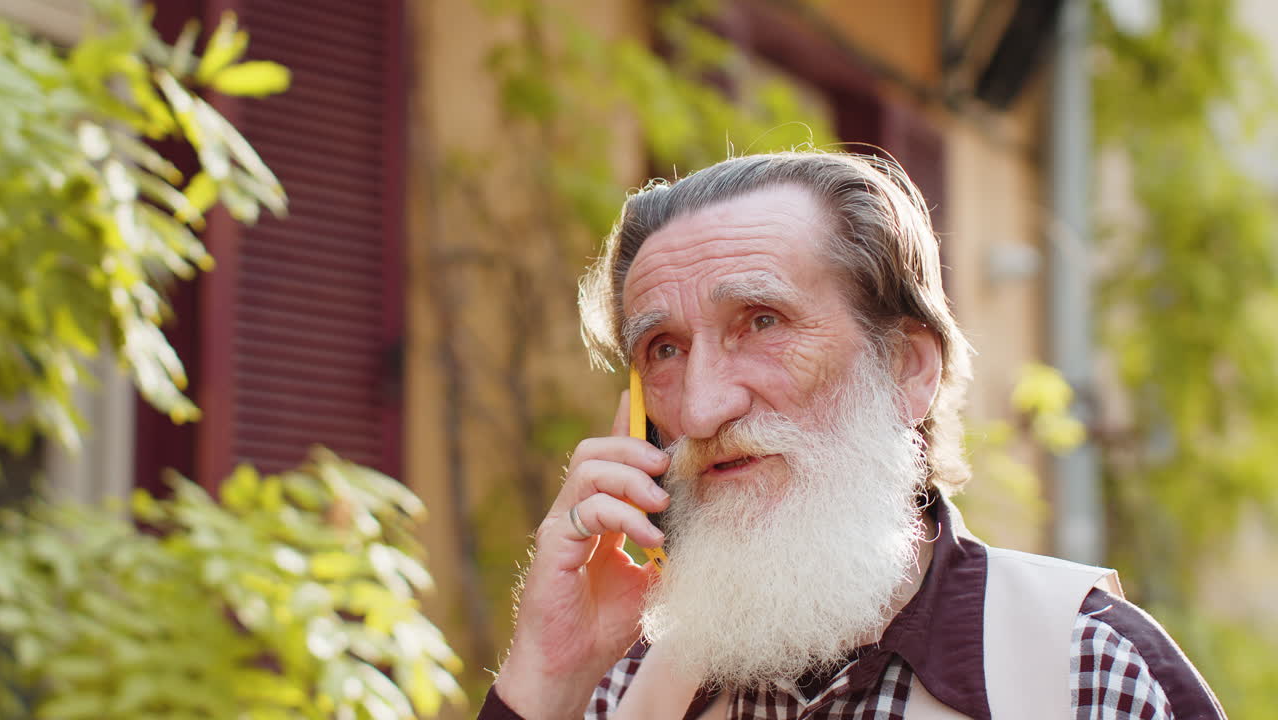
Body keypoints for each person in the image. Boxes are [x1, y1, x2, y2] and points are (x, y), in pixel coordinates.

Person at [476, 152, 1224, 719]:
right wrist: (549, 678)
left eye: (761, 322)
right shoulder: (618, 689)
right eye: (663, 350)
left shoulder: (1081, 674)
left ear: (907, 368)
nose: (701, 410)